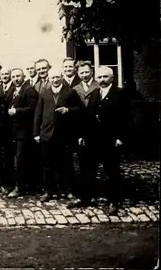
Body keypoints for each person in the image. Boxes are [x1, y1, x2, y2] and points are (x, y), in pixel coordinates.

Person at [71, 66, 130, 215]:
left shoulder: (120, 94)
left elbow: (127, 118)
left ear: (112, 78)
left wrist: (121, 137)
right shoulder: (95, 93)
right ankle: (85, 198)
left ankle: (114, 202)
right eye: (100, 77)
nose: (102, 80)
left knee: (112, 171)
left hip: (111, 140)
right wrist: (82, 136)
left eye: (105, 77)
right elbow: (88, 117)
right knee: (87, 170)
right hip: (92, 139)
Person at [33, 68, 83, 202]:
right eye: (52, 78)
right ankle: (48, 191)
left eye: (57, 77)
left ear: (61, 77)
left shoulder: (70, 92)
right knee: (47, 164)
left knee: (65, 164)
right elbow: (38, 114)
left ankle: (67, 191)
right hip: (47, 134)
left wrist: (68, 110)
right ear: (49, 79)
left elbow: (79, 109)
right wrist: (36, 133)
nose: (55, 80)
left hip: (64, 135)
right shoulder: (44, 93)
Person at [5, 68, 38, 198]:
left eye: (18, 76)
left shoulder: (29, 90)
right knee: (19, 158)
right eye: (13, 76)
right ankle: (26, 185)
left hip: (25, 131)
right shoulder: (14, 90)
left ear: (23, 76)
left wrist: (17, 111)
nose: (15, 79)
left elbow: (33, 108)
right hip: (16, 131)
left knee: (20, 159)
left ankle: (20, 187)